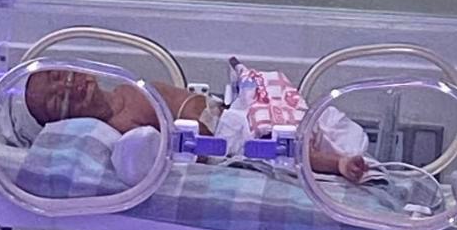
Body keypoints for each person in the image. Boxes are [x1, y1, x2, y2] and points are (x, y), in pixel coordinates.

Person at [22, 66, 368, 182]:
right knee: (280, 149)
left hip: (228, 112)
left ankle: (335, 142)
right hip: (222, 142)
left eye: (59, 76)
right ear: (65, 121)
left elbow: (180, 99)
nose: (66, 86)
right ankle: (337, 163)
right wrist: (195, 134)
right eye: (56, 99)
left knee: (291, 110)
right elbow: (164, 151)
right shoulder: (118, 129)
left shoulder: (129, 89)